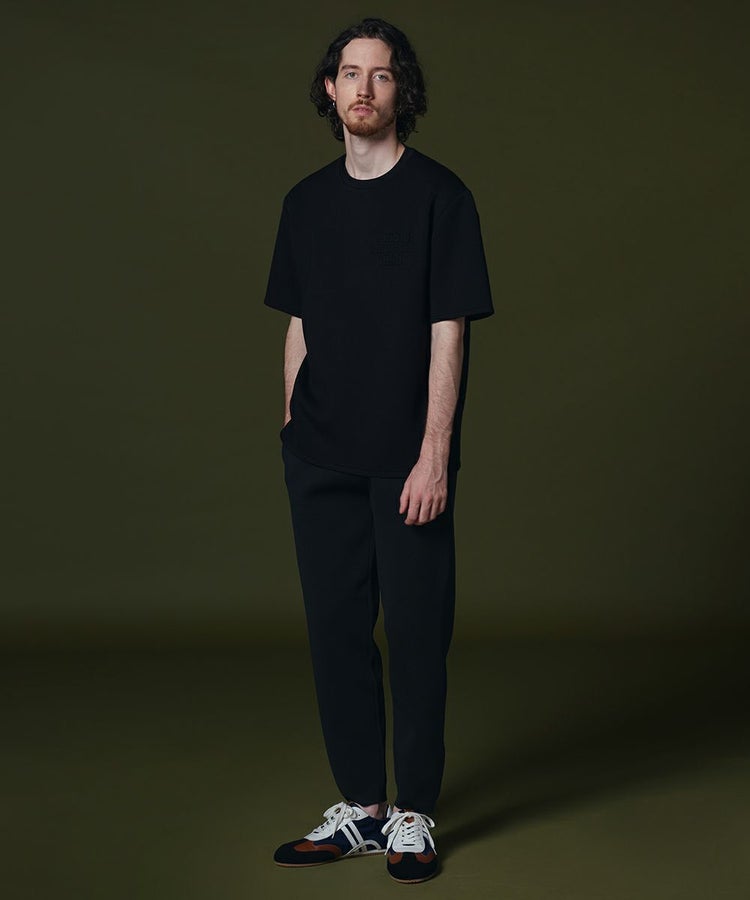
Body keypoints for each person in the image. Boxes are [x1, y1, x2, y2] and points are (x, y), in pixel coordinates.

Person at [263, 17, 494, 884]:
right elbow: (299, 319)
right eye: (350, 73)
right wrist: (292, 423)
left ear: (403, 92)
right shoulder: (304, 203)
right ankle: (362, 809)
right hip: (319, 455)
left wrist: (435, 453)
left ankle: (414, 814)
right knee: (335, 635)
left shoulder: (442, 197)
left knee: (417, 634)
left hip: (406, 460)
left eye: (382, 74)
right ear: (330, 89)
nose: (364, 88)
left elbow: (449, 329)